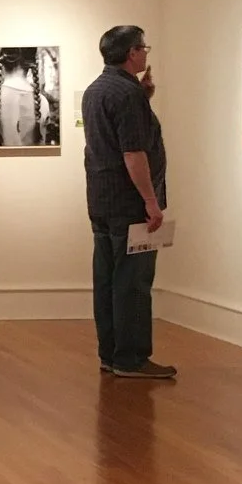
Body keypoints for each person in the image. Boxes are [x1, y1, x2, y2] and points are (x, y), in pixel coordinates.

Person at [83, 25, 176, 379]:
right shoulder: (128, 95)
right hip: (129, 203)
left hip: (102, 200)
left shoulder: (96, 90)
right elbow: (133, 153)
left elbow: (113, 135)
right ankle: (131, 358)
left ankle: (110, 354)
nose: (145, 54)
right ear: (132, 53)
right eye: (143, 48)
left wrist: (143, 97)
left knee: (107, 280)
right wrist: (151, 201)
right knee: (134, 282)